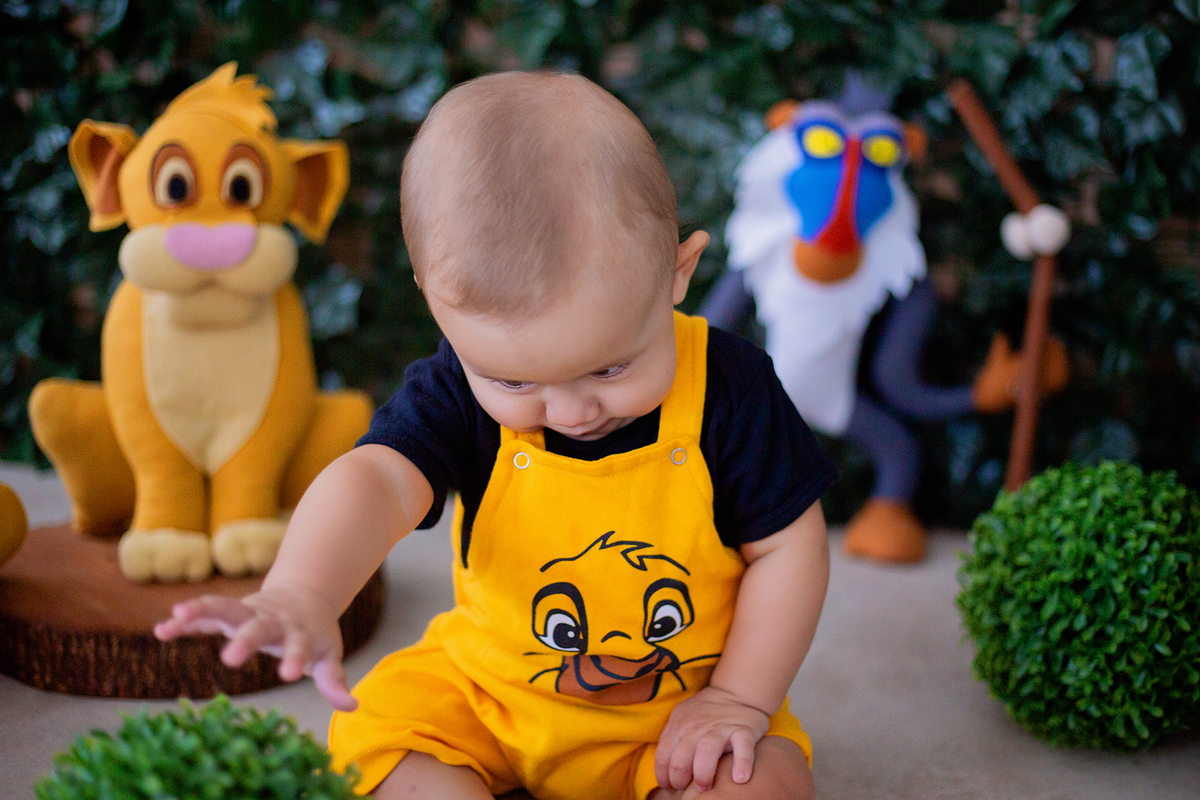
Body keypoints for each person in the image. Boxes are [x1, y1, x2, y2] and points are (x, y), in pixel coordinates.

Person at [155, 71, 837, 800]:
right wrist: (302, 591)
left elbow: (789, 549)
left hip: (677, 712)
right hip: (488, 695)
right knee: (386, 749)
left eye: (610, 366)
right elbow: (378, 479)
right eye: (516, 383)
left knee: (761, 782)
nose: (572, 411)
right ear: (438, 307)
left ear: (678, 271)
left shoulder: (731, 389)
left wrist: (738, 699)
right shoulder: (456, 384)